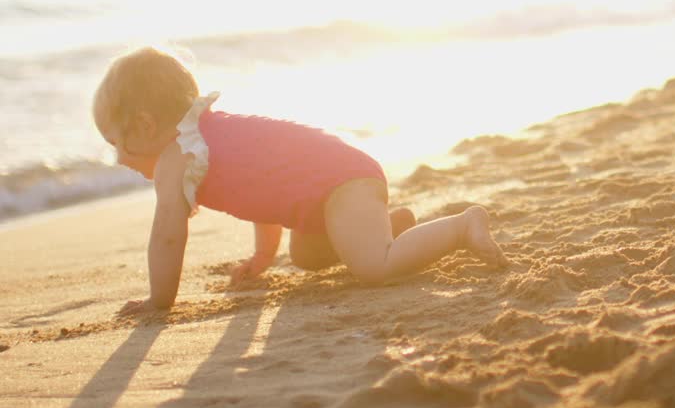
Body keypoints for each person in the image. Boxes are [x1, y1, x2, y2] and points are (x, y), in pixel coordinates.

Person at [94, 46, 508, 315]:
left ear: (145, 126)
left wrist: (159, 302)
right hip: (330, 190)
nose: (117, 157)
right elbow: (261, 191)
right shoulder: (206, 140)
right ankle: (389, 227)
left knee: (374, 269)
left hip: (342, 181)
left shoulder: (177, 157)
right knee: (308, 256)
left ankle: (459, 227)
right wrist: (263, 257)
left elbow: (168, 233)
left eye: (116, 142)